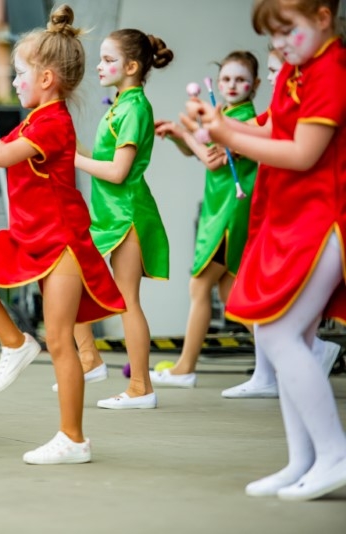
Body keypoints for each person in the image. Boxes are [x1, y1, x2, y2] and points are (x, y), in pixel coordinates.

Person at [0, 4, 126, 464]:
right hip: (29, 238)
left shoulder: (54, 122)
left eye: (20, 73)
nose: (15, 81)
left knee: (61, 342)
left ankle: (73, 438)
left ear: (47, 78)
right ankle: (16, 342)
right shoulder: (33, 120)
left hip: (61, 245)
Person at [182, 0, 346, 500]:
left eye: (285, 31)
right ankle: (304, 460)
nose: (277, 45)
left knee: (278, 333)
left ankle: (334, 454)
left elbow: (302, 153)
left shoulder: (330, 72)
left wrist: (225, 133)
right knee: (285, 334)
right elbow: (273, 130)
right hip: (296, 218)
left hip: (323, 218)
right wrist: (218, 126)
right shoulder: (302, 69)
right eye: (271, 35)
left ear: (322, 17)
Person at [68, 28, 174, 409]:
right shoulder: (121, 104)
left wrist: (73, 159)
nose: (99, 66)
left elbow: (117, 172)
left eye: (108, 59)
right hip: (110, 217)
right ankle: (89, 360)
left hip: (127, 215)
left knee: (127, 300)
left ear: (131, 67)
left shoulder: (133, 108)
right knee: (69, 281)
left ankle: (140, 388)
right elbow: (100, 158)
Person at [150, 51, 262, 389]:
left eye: (241, 80)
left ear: (255, 85)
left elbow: (212, 161)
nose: (232, 85)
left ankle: (185, 368)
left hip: (230, 211)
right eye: (226, 79)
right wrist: (178, 135)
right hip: (219, 209)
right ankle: (286, 359)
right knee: (231, 295)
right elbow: (200, 153)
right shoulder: (223, 115)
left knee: (199, 285)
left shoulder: (246, 121)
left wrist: (186, 131)